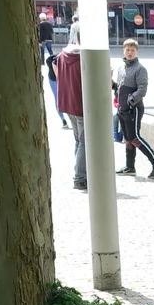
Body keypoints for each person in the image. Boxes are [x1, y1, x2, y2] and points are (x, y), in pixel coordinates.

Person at [114, 38, 154, 178]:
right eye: (127, 50)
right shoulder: (121, 68)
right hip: (122, 109)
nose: (129, 53)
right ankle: (130, 167)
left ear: (137, 52)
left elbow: (142, 90)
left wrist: (130, 101)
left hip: (133, 109)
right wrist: (112, 85)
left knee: (135, 137)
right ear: (123, 50)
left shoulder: (140, 69)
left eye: (132, 50)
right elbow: (118, 87)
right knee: (128, 139)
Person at [57, 26, 86, 191]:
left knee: (78, 140)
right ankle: (80, 177)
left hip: (67, 104)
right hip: (80, 105)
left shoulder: (63, 54)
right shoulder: (84, 57)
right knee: (84, 142)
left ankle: (80, 171)